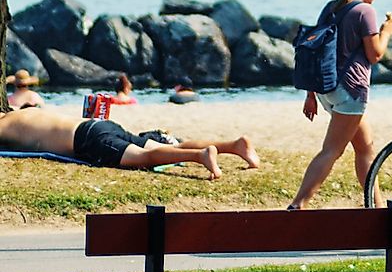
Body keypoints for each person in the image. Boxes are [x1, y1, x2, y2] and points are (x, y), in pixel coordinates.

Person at [289, 0, 392, 210]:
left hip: (327, 89)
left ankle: (377, 208)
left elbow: (315, 49)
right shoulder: (365, 11)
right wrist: (387, 31)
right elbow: (375, 54)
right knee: (331, 151)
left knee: (365, 148)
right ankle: (299, 203)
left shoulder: (332, 6)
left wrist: (311, 94)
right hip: (351, 90)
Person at [0, 108, 259, 179]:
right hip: (97, 124)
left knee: (143, 160)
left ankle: (199, 155)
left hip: (88, 140)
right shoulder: (22, 113)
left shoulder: (3, 127)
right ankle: (234, 145)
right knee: (154, 147)